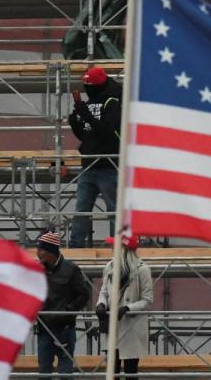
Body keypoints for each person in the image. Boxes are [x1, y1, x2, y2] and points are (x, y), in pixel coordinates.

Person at [68, 67, 122, 248]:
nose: (87, 89)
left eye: (89, 85)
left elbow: (108, 133)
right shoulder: (89, 103)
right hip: (89, 165)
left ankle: (116, 247)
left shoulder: (112, 103)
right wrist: (75, 123)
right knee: (81, 209)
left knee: (113, 209)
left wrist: (86, 115)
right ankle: (76, 247)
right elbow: (86, 135)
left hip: (109, 165)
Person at [96, 235, 153, 377]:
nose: (112, 248)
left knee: (130, 371)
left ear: (124, 249)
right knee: (112, 371)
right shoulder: (109, 267)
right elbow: (104, 292)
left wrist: (127, 308)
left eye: (115, 246)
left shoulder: (142, 270)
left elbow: (147, 300)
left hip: (131, 326)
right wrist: (101, 304)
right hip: (112, 325)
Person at [35, 231, 90, 379]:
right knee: (44, 371)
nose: (37, 253)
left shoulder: (71, 269)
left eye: (41, 249)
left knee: (65, 372)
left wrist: (68, 311)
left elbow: (84, 295)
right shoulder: (37, 270)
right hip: (44, 328)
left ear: (51, 251)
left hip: (65, 328)